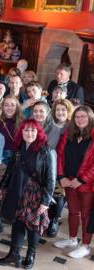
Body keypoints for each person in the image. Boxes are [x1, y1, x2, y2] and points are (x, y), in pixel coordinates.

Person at [0, 119, 55, 269]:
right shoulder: (19, 149)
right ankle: (14, 254)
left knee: (33, 225)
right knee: (17, 222)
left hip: (35, 194)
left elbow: (50, 179)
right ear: (21, 132)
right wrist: (2, 188)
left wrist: (45, 202)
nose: (29, 133)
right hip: (16, 190)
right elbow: (10, 171)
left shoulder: (47, 151)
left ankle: (30, 255)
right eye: (26, 130)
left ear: (38, 132)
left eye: (33, 130)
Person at [54, 106, 94, 258]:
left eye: (84, 116)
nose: (80, 119)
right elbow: (59, 156)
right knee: (72, 211)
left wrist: (82, 179)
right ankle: (72, 240)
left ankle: (85, 245)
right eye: (77, 117)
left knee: (86, 215)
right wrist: (61, 176)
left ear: (90, 118)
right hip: (68, 180)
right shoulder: (68, 134)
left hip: (87, 184)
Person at [45, 98, 73, 238]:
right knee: (46, 192)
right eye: (58, 110)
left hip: (63, 166)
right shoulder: (50, 124)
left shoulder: (71, 127)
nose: (60, 112)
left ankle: (54, 220)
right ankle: (46, 218)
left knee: (58, 194)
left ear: (68, 111)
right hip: (47, 163)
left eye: (63, 109)